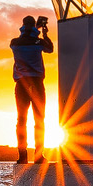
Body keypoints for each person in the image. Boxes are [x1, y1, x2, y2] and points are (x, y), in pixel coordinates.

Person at [9, 14, 54, 163]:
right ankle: (38, 156)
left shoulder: (14, 43)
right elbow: (50, 49)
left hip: (21, 84)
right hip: (36, 83)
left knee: (21, 120)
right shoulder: (38, 42)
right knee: (39, 120)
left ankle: (22, 156)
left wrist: (34, 29)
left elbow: (25, 38)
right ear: (34, 26)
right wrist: (42, 32)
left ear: (22, 26)